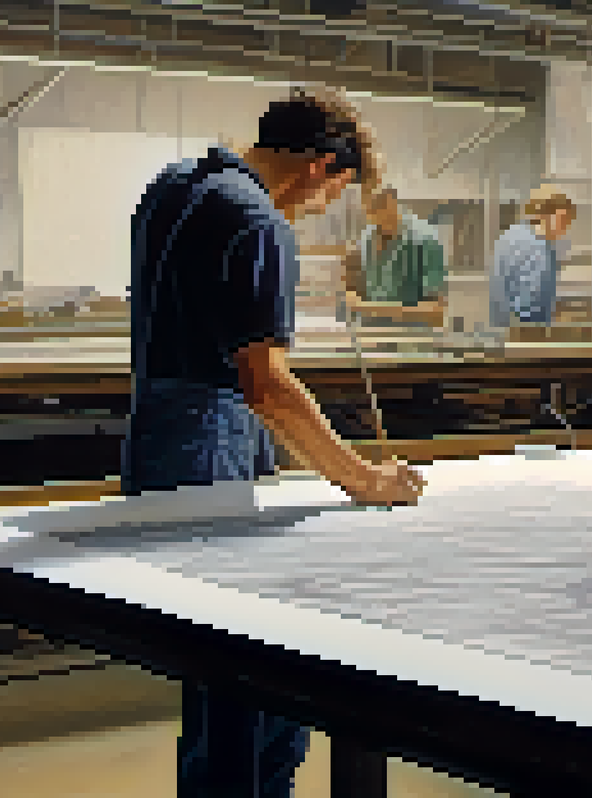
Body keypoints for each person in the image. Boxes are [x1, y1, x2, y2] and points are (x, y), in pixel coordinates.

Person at [124, 85, 425, 798]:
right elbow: (266, 387)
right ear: (320, 166)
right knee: (253, 678)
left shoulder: (175, 185)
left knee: (212, 671)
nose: (322, 208)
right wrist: (363, 478)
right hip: (212, 447)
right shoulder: (258, 220)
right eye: (335, 191)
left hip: (156, 437)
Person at [344, 185, 447, 327]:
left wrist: (373, 309)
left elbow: (436, 311)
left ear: (392, 200)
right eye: (368, 206)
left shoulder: (426, 239)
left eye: (379, 204)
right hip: (371, 333)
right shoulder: (367, 237)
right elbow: (356, 292)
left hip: (411, 335)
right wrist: (352, 298)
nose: (370, 211)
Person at [489, 186, 576, 328]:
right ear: (544, 215)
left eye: (568, 221)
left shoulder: (512, 234)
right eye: (562, 219)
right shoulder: (537, 248)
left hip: (502, 326)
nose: (565, 227)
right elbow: (529, 305)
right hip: (525, 330)